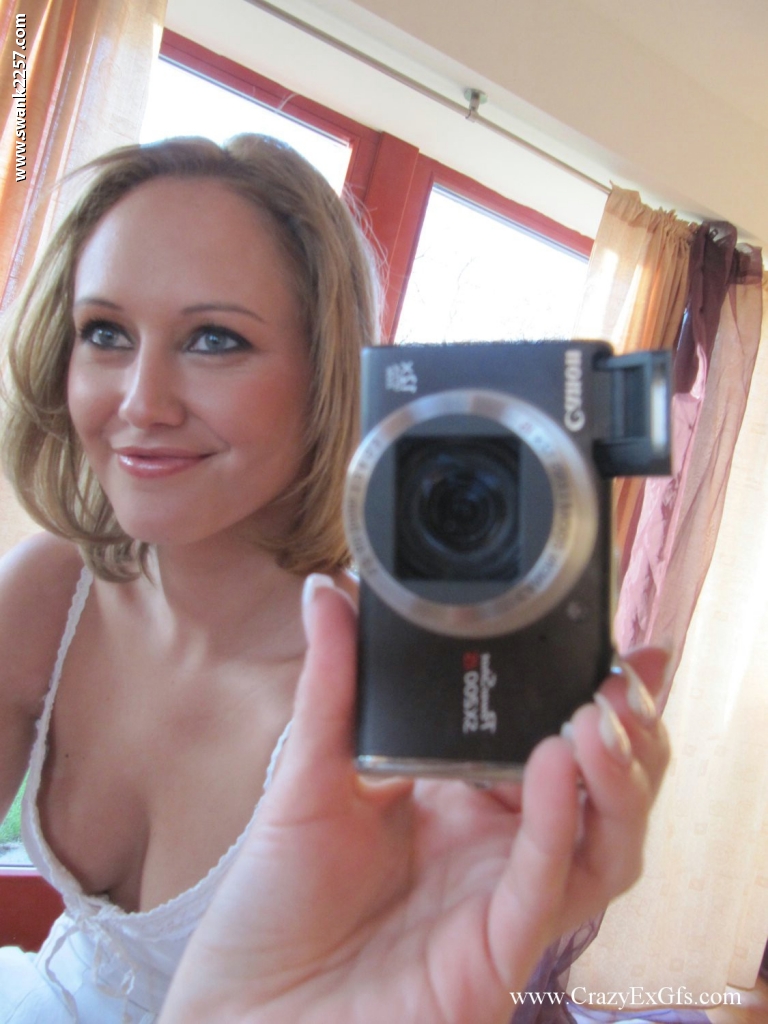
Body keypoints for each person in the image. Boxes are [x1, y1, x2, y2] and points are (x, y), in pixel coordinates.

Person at [0, 133, 670, 1024]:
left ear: (326, 376)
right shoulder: (50, 591)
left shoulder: (393, 707)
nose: (140, 402)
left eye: (214, 339)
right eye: (106, 333)